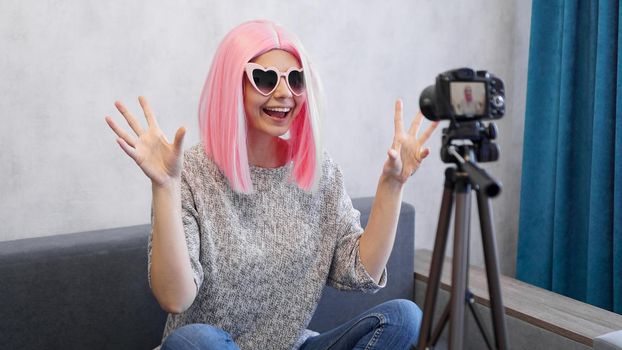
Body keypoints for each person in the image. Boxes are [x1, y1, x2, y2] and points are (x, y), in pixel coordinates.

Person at [105, 20, 438, 350]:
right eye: (263, 79)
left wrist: (393, 185)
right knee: (196, 339)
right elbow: (175, 298)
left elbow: (360, 271)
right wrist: (165, 186)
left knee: (404, 318)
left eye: (296, 80)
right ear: (231, 85)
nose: (284, 93)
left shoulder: (319, 172)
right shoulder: (190, 171)